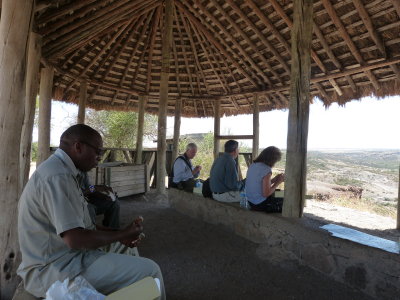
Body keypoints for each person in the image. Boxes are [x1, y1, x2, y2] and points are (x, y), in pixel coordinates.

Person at [17, 124, 165, 299]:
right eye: (98, 151)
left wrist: (121, 234)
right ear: (78, 147)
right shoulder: (58, 176)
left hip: (68, 256)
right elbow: (76, 239)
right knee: (151, 271)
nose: (99, 158)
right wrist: (121, 233)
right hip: (54, 268)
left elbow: (86, 227)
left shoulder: (67, 172)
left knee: (125, 248)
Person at [245, 146, 285, 213]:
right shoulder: (266, 169)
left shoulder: (253, 165)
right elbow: (266, 194)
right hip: (260, 204)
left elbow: (259, 184)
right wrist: (278, 182)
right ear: (272, 160)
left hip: (251, 202)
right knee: (285, 195)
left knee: (280, 193)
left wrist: (274, 179)